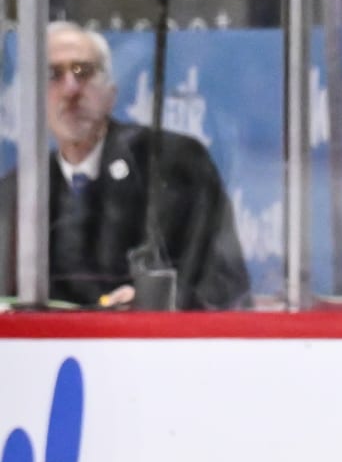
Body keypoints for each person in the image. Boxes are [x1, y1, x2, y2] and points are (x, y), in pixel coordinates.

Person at [0, 22, 250, 310]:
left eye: (83, 71)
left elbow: (225, 286)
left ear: (111, 93)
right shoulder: (15, 193)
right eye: (52, 75)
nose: (70, 89)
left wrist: (154, 302)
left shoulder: (175, 168)